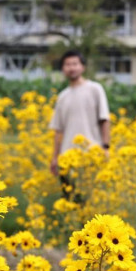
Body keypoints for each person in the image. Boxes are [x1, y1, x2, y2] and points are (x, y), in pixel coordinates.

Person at [49, 50, 110, 200]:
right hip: (67, 158)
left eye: (75, 64)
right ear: (63, 69)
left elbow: (104, 119)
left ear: (82, 67)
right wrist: (55, 157)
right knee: (70, 201)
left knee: (91, 200)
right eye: (67, 64)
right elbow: (58, 130)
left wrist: (105, 147)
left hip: (91, 154)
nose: (71, 68)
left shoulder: (95, 89)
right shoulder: (62, 97)